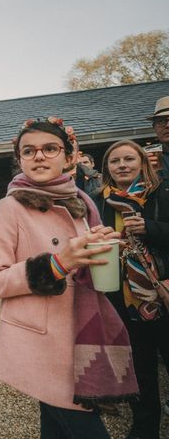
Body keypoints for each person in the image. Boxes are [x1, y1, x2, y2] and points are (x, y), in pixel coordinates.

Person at [0, 117, 138, 438]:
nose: (39, 156)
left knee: (55, 427)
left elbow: (85, 267)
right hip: (44, 341)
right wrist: (56, 263)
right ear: (20, 160)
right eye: (29, 151)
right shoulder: (10, 206)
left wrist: (103, 249)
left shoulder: (82, 202)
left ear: (69, 158)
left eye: (50, 149)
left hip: (82, 333)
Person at [92, 139, 169, 439]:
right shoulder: (98, 200)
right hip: (120, 293)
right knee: (140, 365)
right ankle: (145, 427)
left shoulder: (161, 193)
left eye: (128, 159)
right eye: (115, 161)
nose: (122, 165)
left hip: (159, 290)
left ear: (142, 163)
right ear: (107, 168)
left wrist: (150, 229)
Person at [146, 96, 169, 179]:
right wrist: (143, 172)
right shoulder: (148, 158)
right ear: (154, 128)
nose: (167, 125)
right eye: (161, 121)